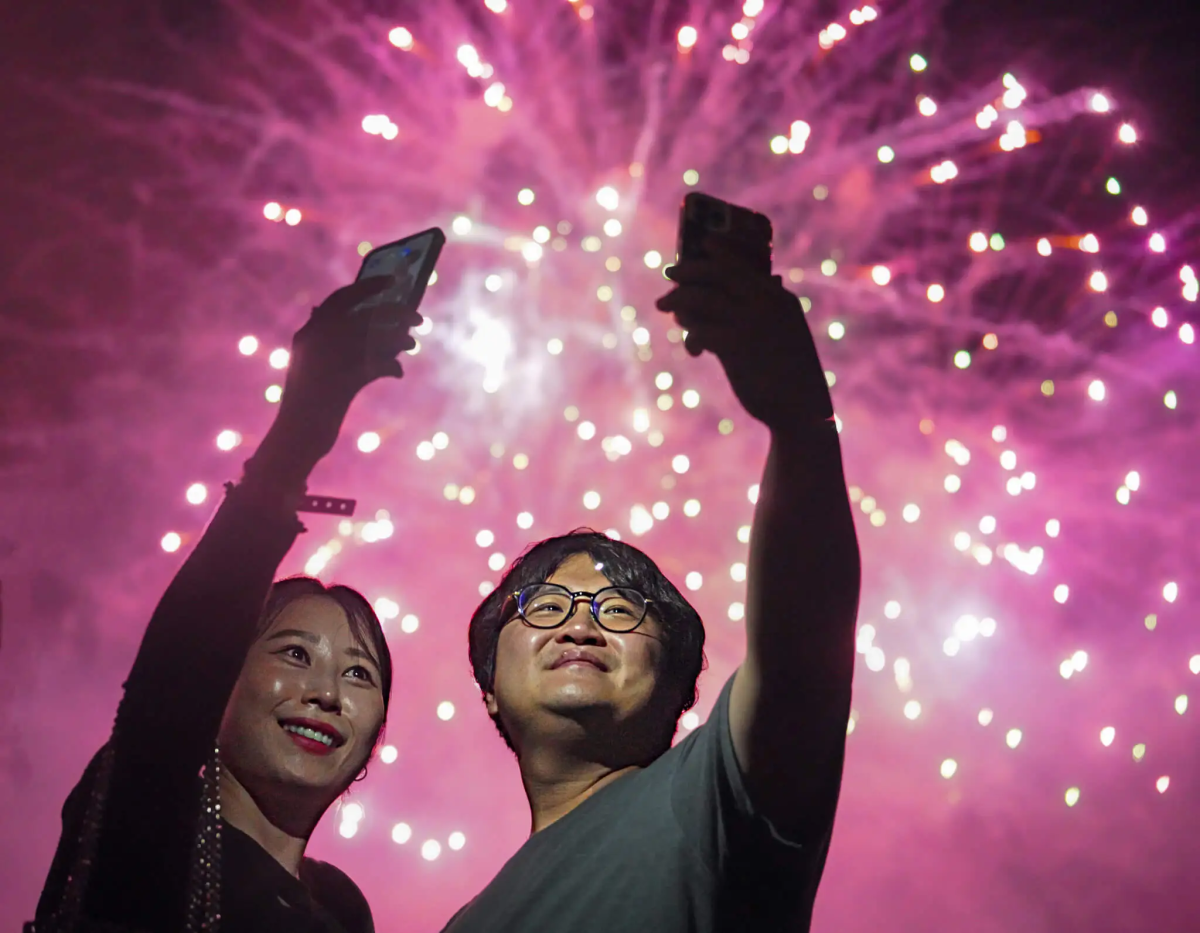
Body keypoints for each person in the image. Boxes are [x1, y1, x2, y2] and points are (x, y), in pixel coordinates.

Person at [445, 236, 861, 932]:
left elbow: (800, 655)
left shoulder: (713, 801)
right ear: (488, 685)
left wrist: (800, 426)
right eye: (546, 605)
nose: (580, 624)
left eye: (620, 610)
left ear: (679, 684)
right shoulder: (465, 923)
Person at [29, 274, 420, 933]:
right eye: (296, 652)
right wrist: (297, 435)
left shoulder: (344, 909)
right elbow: (176, 673)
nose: (326, 693)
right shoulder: (151, 824)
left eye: (359, 672)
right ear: (222, 682)